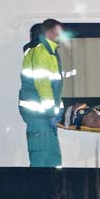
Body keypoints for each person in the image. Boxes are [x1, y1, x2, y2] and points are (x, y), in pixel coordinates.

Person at [19, 18, 64, 167]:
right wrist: (52, 112)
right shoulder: (41, 52)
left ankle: (55, 190)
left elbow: (55, 88)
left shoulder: (49, 52)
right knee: (41, 160)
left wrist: (59, 110)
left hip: (44, 116)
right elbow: (43, 85)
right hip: (39, 115)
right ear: (50, 33)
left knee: (53, 160)